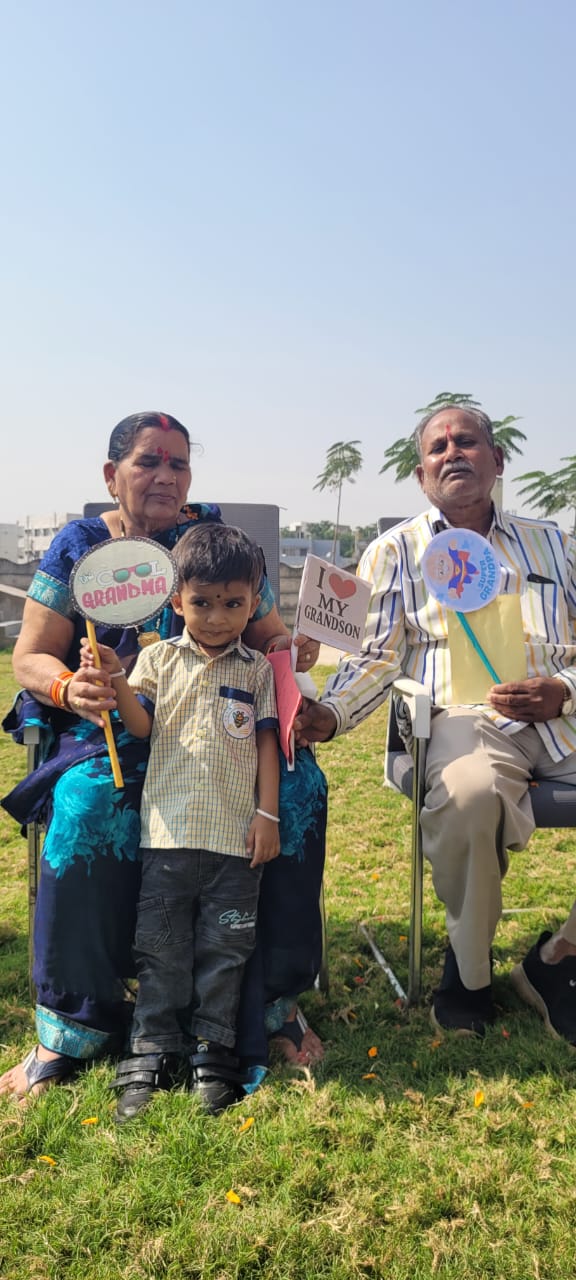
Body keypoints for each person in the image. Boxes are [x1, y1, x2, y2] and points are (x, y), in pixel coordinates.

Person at [0, 411, 325, 1099]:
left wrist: (292, 655)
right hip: (116, 726)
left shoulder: (213, 543)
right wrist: (68, 686)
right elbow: (29, 656)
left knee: (298, 795)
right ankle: (73, 1026)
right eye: (149, 461)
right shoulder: (79, 547)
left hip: (222, 727)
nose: (166, 476)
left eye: (178, 463)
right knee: (86, 804)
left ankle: (272, 1004)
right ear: (111, 474)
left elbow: (268, 637)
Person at [295, 404, 576, 1042]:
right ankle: (469, 976)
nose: (453, 453)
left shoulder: (555, 544)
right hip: (458, 719)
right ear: (421, 476)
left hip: (562, 715)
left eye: (467, 442)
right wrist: (331, 713)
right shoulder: (396, 551)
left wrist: (563, 689)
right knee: (471, 794)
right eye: (438, 447)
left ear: (496, 461)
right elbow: (374, 657)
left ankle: (559, 955)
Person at [83, 523, 280, 1119]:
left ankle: (212, 1051)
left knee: (226, 951)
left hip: (235, 843)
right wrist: (117, 679)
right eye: (202, 602)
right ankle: (152, 1048)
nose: (217, 617)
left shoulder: (257, 671)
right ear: (176, 601)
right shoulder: (158, 659)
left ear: (255, 601)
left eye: (233, 604)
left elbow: (267, 745)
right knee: (160, 950)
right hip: (167, 838)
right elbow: (140, 726)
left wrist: (267, 814)